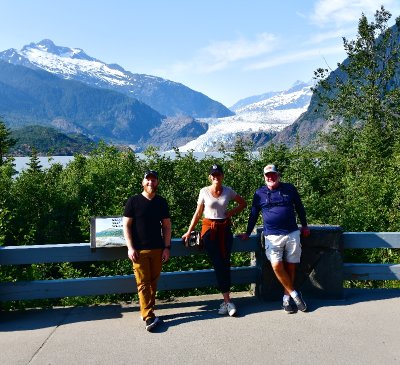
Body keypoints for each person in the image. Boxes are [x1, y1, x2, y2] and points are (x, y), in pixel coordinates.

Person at [240, 164, 310, 313]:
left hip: (292, 233)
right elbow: (253, 214)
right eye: (267, 175)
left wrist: (304, 225)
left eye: (273, 174)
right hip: (272, 235)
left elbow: (299, 207)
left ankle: (286, 299)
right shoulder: (259, 193)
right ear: (264, 177)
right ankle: (295, 294)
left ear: (278, 175)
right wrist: (247, 232)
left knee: (291, 265)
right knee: (276, 265)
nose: (270, 177)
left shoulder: (289, 188)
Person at [182, 164, 247, 316]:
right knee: (219, 263)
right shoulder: (204, 191)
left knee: (225, 262)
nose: (216, 177)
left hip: (225, 230)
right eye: (213, 175)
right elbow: (198, 213)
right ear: (210, 177)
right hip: (209, 231)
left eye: (218, 174)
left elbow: (243, 204)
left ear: (222, 176)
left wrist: (229, 213)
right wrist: (189, 231)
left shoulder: (228, 191)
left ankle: (226, 302)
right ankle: (227, 301)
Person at [123, 170, 172, 331]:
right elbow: (127, 226)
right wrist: (130, 247)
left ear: (157, 183)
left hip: (157, 249)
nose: (151, 182)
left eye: (154, 180)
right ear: (142, 183)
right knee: (143, 284)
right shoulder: (133, 201)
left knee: (153, 283)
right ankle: (149, 316)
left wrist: (166, 247)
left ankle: (146, 311)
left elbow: (166, 226)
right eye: (148, 180)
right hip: (139, 251)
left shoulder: (161, 202)